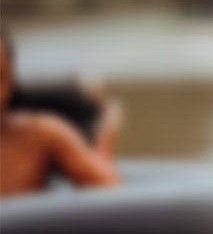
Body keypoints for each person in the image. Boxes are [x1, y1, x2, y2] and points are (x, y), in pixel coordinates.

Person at [0, 26, 122, 196]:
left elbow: (109, 192)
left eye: (0, 78)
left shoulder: (41, 135)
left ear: (12, 81)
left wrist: (106, 125)